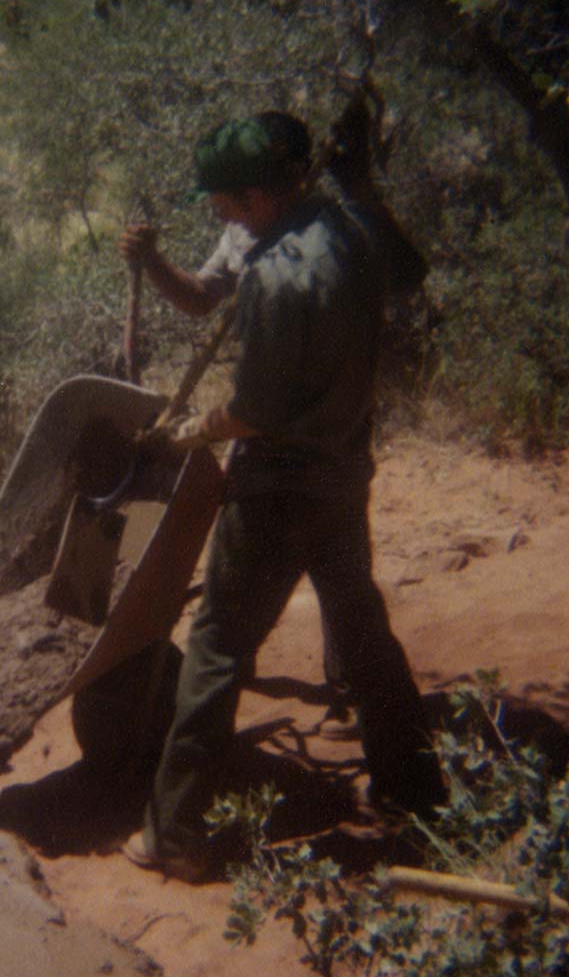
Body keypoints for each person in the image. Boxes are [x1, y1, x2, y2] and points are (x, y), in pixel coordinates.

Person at [121, 116, 446, 882]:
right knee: (362, 628)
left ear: (261, 194)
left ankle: (173, 834)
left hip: (275, 487)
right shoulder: (352, 230)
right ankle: (415, 787)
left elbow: (254, 414)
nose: (215, 211)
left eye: (224, 199)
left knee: (217, 647)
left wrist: (186, 436)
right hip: (342, 474)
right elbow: (410, 270)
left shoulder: (274, 279)